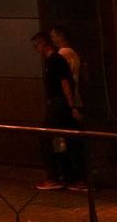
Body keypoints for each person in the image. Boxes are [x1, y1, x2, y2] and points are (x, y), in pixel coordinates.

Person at [32, 31, 87, 192]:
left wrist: (71, 107)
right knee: (66, 140)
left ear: (43, 44)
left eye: (36, 46)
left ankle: (56, 177)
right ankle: (71, 177)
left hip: (59, 105)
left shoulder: (55, 60)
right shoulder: (54, 60)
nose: (36, 50)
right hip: (60, 104)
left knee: (46, 138)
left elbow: (65, 84)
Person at [49, 25, 84, 108]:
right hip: (74, 95)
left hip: (67, 98)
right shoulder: (73, 53)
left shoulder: (62, 54)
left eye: (53, 36)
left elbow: (63, 79)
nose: (51, 39)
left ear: (60, 36)